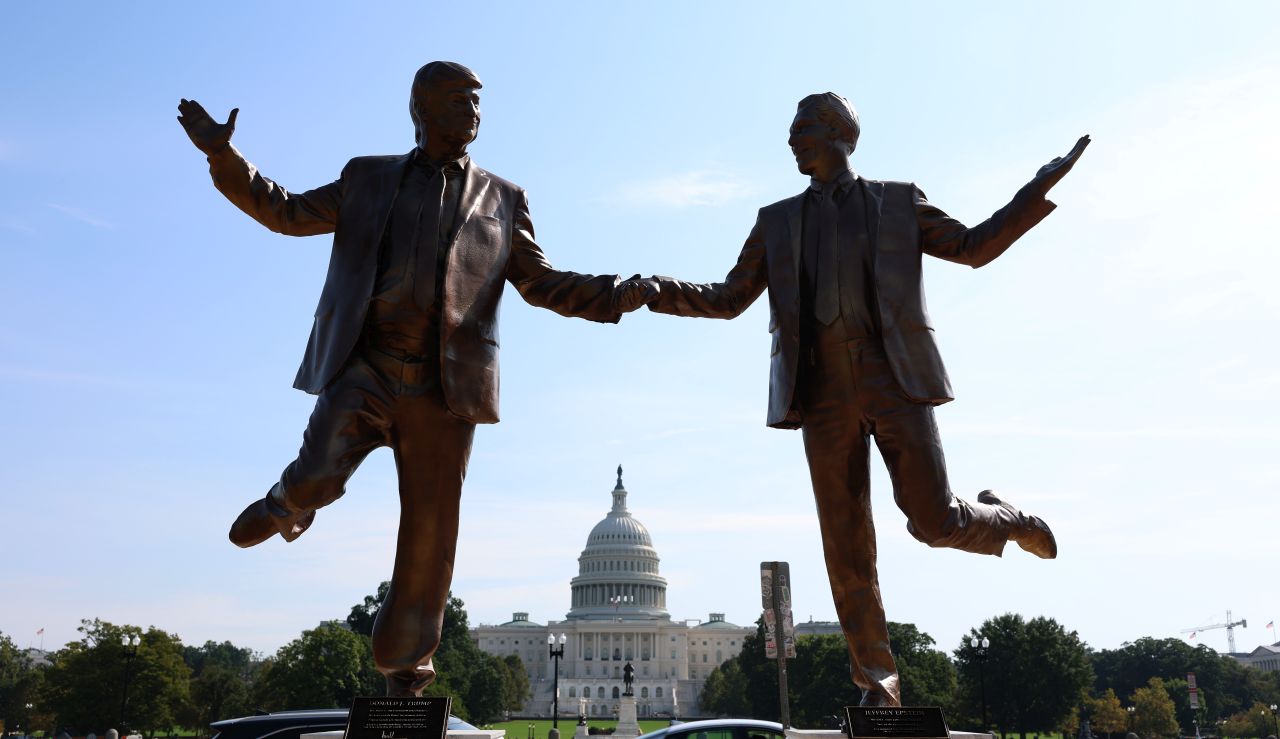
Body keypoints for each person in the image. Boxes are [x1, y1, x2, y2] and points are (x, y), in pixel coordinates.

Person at [177, 61, 651, 696]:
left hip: (444, 387)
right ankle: (290, 503)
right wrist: (224, 155)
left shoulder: (504, 199)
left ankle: (406, 664)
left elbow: (541, 283)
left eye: (478, 102)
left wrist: (616, 294)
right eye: (460, 101)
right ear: (421, 109)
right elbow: (284, 211)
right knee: (319, 469)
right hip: (366, 364)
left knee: (430, 531)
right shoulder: (366, 177)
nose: (474, 113)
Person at [626, 92, 1088, 705]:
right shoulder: (777, 221)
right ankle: (878, 679)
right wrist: (660, 290)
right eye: (791, 132)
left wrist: (1034, 192)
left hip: (894, 379)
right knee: (845, 546)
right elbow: (729, 297)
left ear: (843, 133)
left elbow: (973, 247)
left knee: (934, 521)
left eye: (804, 129)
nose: (792, 141)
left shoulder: (896, 201)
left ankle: (1011, 519)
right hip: (821, 396)